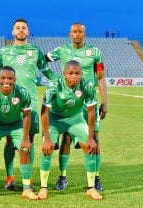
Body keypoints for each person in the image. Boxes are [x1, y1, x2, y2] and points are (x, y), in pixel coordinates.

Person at [0, 18, 58, 190]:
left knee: (28, 140)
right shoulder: (4, 52)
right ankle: (9, 177)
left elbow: (47, 72)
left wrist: (62, 81)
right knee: (9, 139)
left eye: (24, 28)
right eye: (17, 28)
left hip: (29, 102)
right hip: (9, 102)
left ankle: (27, 178)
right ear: (13, 32)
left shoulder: (35, 51)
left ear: (28, 32)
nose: (21, 30)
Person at [46, 22, 107, 191]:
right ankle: (62, 176)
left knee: (94, 139)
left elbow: (101, 77)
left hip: (89, 102)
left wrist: (105, 101)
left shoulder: (95, 52)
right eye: (74, 32)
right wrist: (52, 78)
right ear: (69, 34)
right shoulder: (62, 51)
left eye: (80, 32)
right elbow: (42, 60)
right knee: (66, 137)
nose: (77, 34)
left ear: (84, 34)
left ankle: (96, 177)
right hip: (69, 102)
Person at [38, 60, 102, 200]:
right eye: (70, 73)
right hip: (54, 120)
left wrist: (90, 137)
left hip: (75, 119)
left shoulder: (87, 86)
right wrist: (47, 138)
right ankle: (43, 187)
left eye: (77, 73)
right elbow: (44, 113)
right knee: (47, 148)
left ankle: (91, 188)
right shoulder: (54, 85)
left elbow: (91, 112)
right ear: (64, 74)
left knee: (90, 147)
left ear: (82, 74)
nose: (74, 76)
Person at [0, 66, 38, 201]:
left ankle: (27, 189)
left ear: (15, 80)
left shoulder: (22, 92)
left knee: (24, 149)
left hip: (16, 124)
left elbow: (27, 115)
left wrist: (25, 138)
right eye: (3, 78)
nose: (6, 81)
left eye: (10, 78)